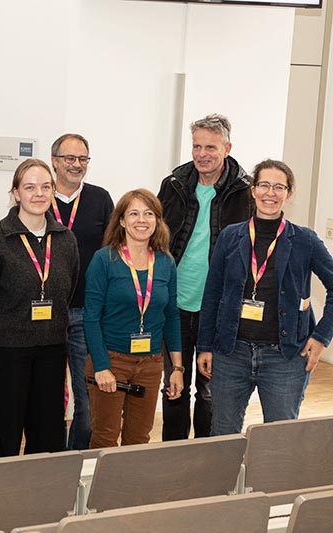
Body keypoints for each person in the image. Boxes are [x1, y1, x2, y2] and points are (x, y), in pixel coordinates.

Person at [197, 160, 333, 435]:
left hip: (284, 358)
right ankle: (226, 481)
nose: (270, 193)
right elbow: (212, 294)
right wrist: (205, 345)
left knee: (279, 440)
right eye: (264, 185)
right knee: (223, 436)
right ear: (253, 190)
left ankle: (270, 481)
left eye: (278, 187)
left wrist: (320, 338)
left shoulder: (305, 240)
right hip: (231, 353)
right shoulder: (230, 236)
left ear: (289, 194)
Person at [0, 158, 79, 458]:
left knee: (47, 436)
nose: (39, 194)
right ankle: (1, 497)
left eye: (46, 187)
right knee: (4, 433)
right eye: (30, 187)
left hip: (52, 351)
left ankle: (41, 498)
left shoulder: (66, 240)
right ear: (16, 193)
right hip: (7, 353)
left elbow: (66, 293)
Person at [157, 113, 252, 440]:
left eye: (210, 147)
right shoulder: (172, 185)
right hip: (175, 306)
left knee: (211, 392)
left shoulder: (246, 192)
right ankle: (172, 456)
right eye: (197, 146)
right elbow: (156, 239)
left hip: (219, 309)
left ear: (227, 147)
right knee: (174, 387)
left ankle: (207, 460)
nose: (201, 154)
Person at [84, 188, 183, 448]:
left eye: (149, 213)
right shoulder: (104, 259)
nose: (142, 220)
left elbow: (171, 316)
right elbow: (91, 318)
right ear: (122, 221)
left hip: (150, 364)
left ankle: (128, 489)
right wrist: (101, 367)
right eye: (134, 213)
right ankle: (101, 490)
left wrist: (177, 369)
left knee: (139, 439)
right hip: (111, 360)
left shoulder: (165, 262)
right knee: (105, 437)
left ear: (157, 221)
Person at [50, 133, 113, 451]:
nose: (76, 164)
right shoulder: (38, 196)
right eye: (69, 158)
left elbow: (114, 255)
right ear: (54, 161)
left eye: (82, 159)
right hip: (45, 314)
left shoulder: (100, 199)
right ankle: (51, 460)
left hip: (88, 314)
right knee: (47, 397)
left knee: (87, 398)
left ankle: (76, 460)